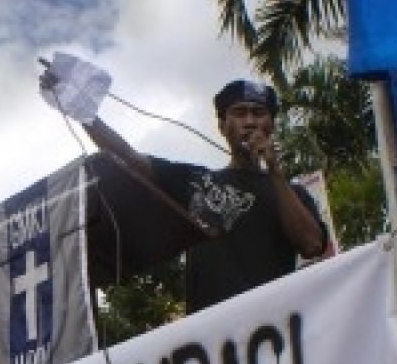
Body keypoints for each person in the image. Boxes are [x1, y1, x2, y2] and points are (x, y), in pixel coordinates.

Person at [63, 76, 328, 313]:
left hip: (272, 327)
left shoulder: (293, 194)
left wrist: (274, 170)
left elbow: (313, 245)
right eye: (239, 113)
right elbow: (130, 159)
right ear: (223, 126)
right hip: (209, 337)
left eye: (259, 113)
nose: (250, 122)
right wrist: (83, 111)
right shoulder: (198, 182)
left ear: (271, 124)